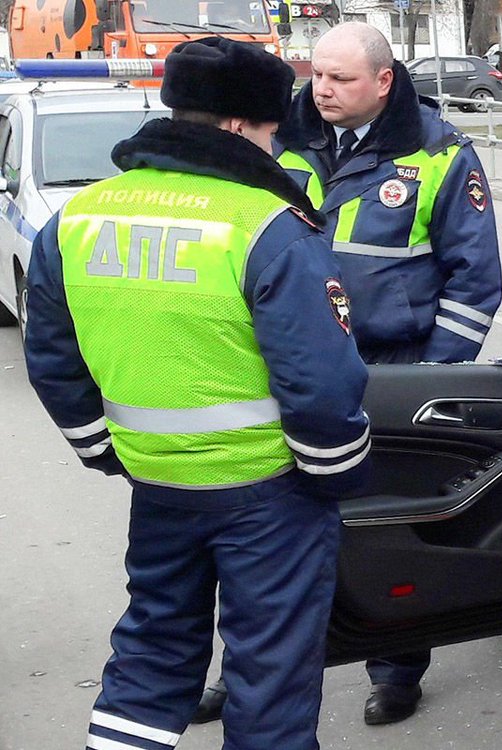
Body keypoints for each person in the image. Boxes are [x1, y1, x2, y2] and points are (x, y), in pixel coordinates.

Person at [23, 37, 370, 750]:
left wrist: (104, 448)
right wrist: (335, 476)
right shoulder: (267, 225)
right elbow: (320, 381)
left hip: (156, 481)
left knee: (153, 647)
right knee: (269, 670)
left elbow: (52, 357)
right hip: (268, 493)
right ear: (244, 125)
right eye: (275, 130)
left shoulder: (80, 217)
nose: (278, 146)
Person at [193, 21, 502, 727]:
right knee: (262, 535)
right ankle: (242, 673)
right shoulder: (278, 135)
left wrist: (428, 378)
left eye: (340, 79)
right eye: (317, 73)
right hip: (285, 364)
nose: (321, 89)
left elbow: (474, 282)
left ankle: (396, 670)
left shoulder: (441, 153)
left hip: (388, 371)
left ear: (384, 80)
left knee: (389, 533)